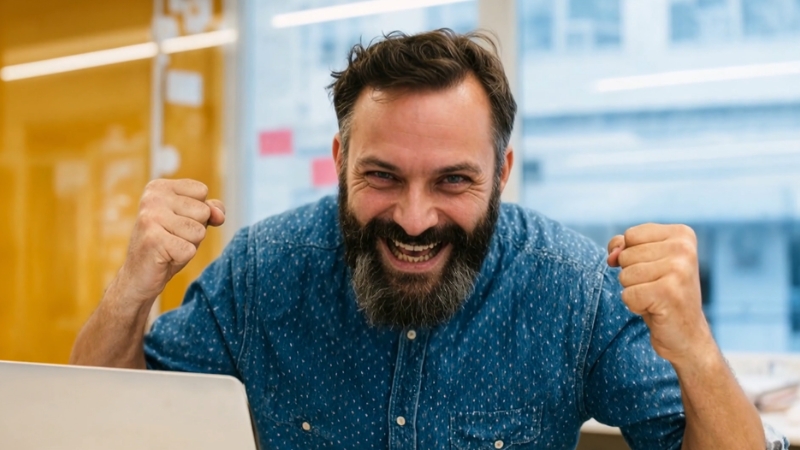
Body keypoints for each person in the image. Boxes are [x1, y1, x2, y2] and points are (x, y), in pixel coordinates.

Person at [71, 29, 787, 449]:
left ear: (502, 172)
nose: (414, 219)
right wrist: (133, 291)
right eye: (383, 175)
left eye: (452, 181)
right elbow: (98, 431)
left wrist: (693, 343)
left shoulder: (571, 287)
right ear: (340, 161)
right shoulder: (260, 274)